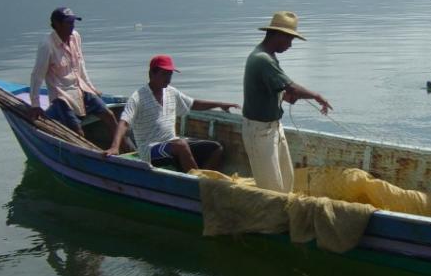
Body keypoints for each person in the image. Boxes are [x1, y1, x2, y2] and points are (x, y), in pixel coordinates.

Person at [242, 11, 332, 193]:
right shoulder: (262, 59)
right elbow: (292, 88)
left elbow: (274, 88)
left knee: (287, 182)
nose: (290, 45)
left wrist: (283, 95)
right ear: (278, 35)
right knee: (271, 191)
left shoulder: (269, 57)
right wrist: (316, 96)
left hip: (274, 127)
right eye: (289, 39)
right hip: (259, 131)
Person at [104, 55, 239, 172]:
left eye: (170, 74)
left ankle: (205, 180)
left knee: (216, 148)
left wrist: (220, 104)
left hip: (171, 142)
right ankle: (197, 181)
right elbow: (124, 122)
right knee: (181, 145)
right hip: (149, 150)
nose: (168, 79)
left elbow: (193, 104)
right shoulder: (138, 97)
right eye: (164, 74)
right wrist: (115, 147)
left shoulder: (171, 92)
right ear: (152, 74)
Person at [28, 7, 118, 139]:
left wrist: (91, 88)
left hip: (80, 88)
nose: (72, 26)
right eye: (69, 23)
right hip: (62, 96)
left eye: (73, 22)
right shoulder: (47, 45)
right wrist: (35, 105)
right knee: (77, 131)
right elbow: (37, 75)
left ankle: (122, 146)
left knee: (109, 116)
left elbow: (80, 65)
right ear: (57, 24)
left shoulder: (75, 37)